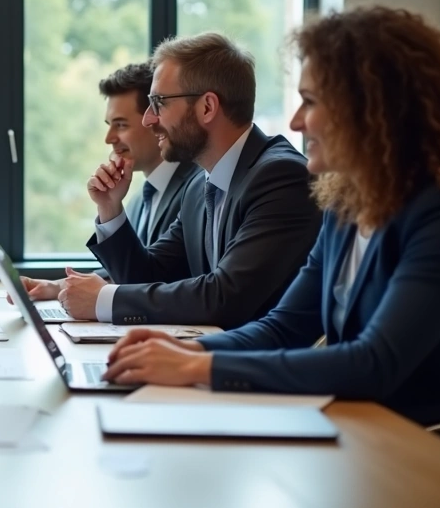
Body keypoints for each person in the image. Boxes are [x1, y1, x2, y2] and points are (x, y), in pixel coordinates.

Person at [103, 6, 440, 433]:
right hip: (361, 428)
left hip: (429, 446)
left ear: (373, 109)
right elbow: (284, 327)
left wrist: (199, 367)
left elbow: (374, 362)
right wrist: (187, 350)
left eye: (310, 102)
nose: (296, 121)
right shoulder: (345, 206)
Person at [22, 32, 321, 328]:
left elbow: (226, 297)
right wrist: (111, 209)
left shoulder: (281, 176)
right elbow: (149, 276)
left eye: (159, 103)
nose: (148, 119)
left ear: (207, 107)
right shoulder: (197, 187)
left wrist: (105, 300)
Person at [97, 61, 203, 247]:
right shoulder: (137, 201)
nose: (109, 138)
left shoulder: (199, 188)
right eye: (109, 125)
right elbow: (130, 271)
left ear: (154, 119)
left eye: (121, 124)